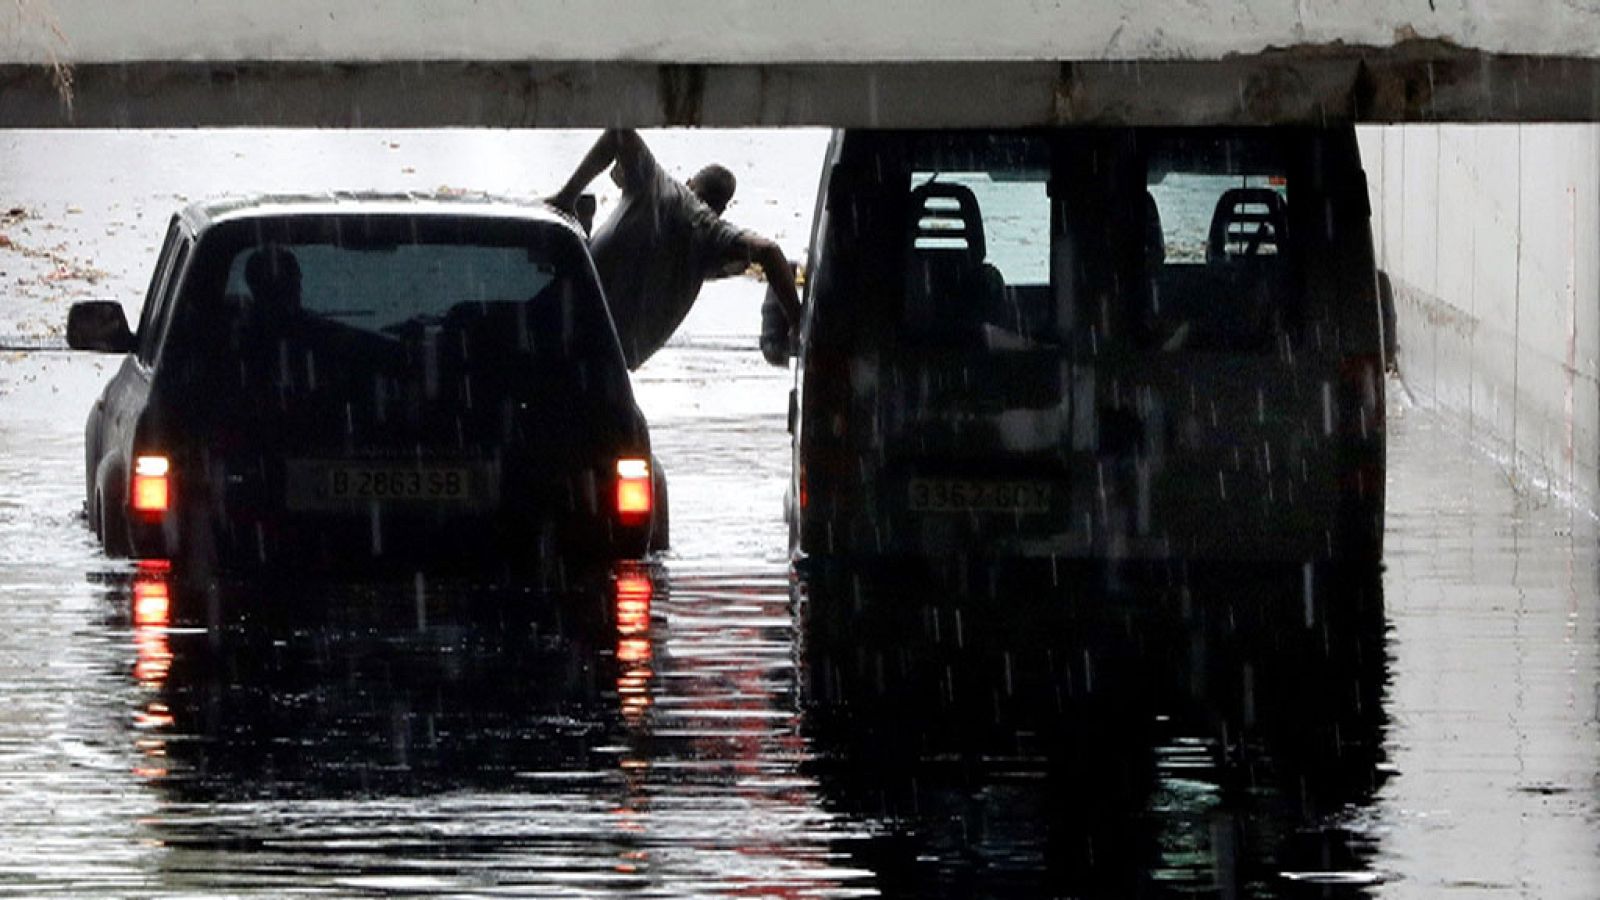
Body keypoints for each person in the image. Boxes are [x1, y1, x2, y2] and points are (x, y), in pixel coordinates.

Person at [548, 129, 801, 370]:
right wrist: (797, 322)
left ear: (690, 181)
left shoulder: (655, 184)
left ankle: (577, 213)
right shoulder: (711, 235)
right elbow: (769, 252)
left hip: (564, 321)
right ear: (721, 209)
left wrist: (565, 198)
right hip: (609, 355)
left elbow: (619, 133)